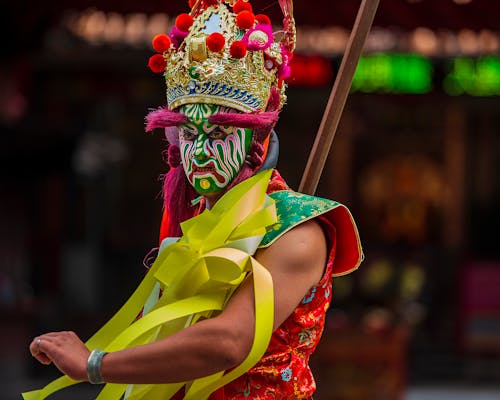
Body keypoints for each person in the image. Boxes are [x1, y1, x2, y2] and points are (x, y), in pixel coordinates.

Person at [26, 1, 362, 399]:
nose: (199, 152)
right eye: (189, 133)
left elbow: (227, 342)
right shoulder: (194, 220)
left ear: (255, 138)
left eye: (218, 134)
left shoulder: (297, 228)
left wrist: (95, 364)